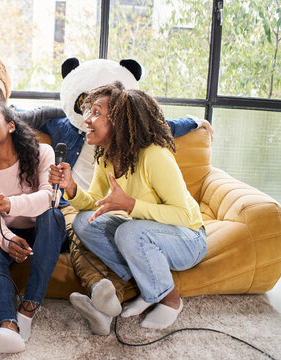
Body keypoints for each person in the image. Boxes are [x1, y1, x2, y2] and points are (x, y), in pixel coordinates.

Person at [49, 81, 207, 331]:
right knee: (83, 222)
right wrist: (71, 188)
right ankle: (148, 284)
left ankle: (170, 299)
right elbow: (93, 203)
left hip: (189, 238)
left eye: (97, 112)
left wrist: (131, 205)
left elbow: (183, 215)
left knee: (128, 231)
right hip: (147, 235)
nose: (87, 119)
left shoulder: (154, 156)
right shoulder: (106, 156)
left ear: (119, 121)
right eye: (90, 111)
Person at [0, 101, 66, 353]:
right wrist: (8, 240)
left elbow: (51, 197)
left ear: (11, 126)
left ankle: (27, 309)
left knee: (53, 216)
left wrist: (10, 204)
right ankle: (7, 326)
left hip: (42, 230)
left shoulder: (41, 152)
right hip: (7, 231)